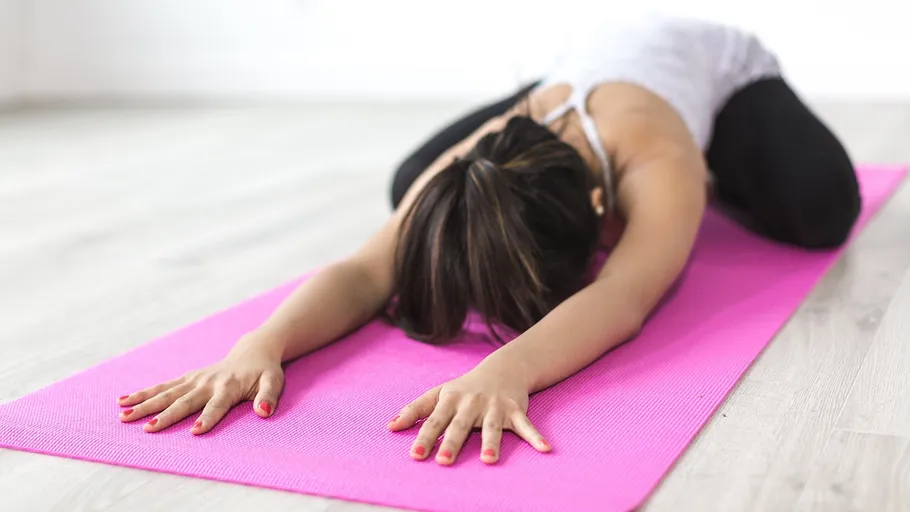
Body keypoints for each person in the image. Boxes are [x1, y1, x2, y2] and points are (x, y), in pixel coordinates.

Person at [115, 15, 861, 466]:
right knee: (416, 186)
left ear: (605, 214)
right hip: (573, 78)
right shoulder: (482, 154)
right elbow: (365, 270)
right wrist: (260, 345)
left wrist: (507, 370)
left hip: (714, 72)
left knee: (824, 209)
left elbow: (626, 295)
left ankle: (726, 169)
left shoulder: (659, 161)